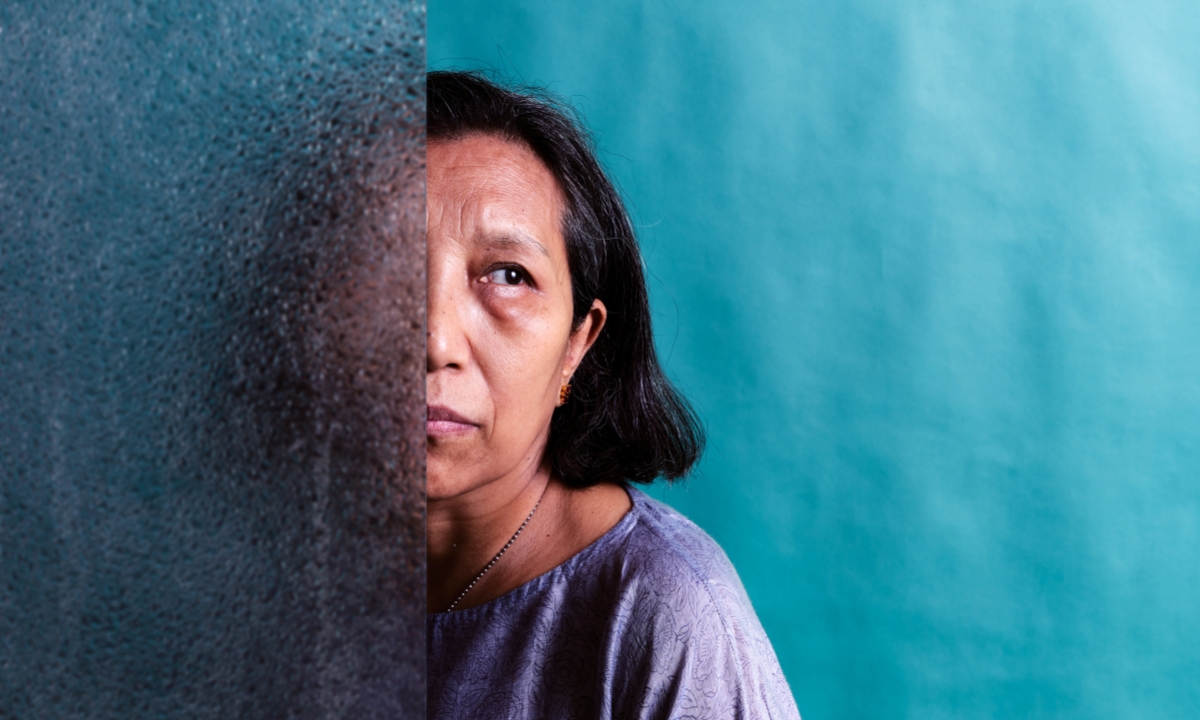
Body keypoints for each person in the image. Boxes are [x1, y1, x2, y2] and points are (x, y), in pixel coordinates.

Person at [426, 70, 801, 720]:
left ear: (578, 343)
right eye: (379, 262)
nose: (434, 340)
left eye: (508, 275)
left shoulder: (665, 613)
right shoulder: (255, 569)